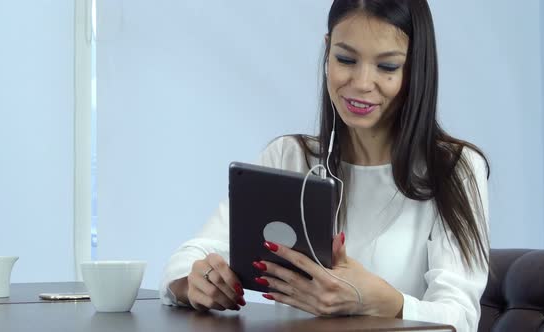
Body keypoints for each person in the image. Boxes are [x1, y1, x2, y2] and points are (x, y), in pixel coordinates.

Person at [160, 1, 490, 331]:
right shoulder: (290, 157)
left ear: (415, 68)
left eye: (387, 67)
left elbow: (460, 317)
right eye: (346, 59)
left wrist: (384, 301)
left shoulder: (454, 170)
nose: (362, 83)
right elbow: (188, 258)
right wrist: (195, 282)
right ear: (327, 51)